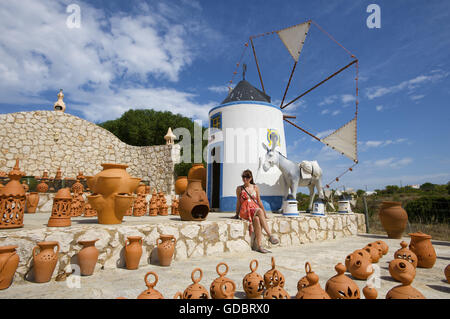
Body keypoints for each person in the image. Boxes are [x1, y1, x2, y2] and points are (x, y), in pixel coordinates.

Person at [233, 169, 279, 253]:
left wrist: (265, 214)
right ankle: (270, 235)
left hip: (254, 210)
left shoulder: (255, 187)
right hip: (245, 210)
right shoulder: (239, 188)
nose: (245, 179)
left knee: (257, 219)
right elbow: (238, 202)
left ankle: (259, 246)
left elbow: (259, 201)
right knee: (259, 211)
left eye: (247, 177)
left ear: (250, 178)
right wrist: (237, 214)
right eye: (243, 177)